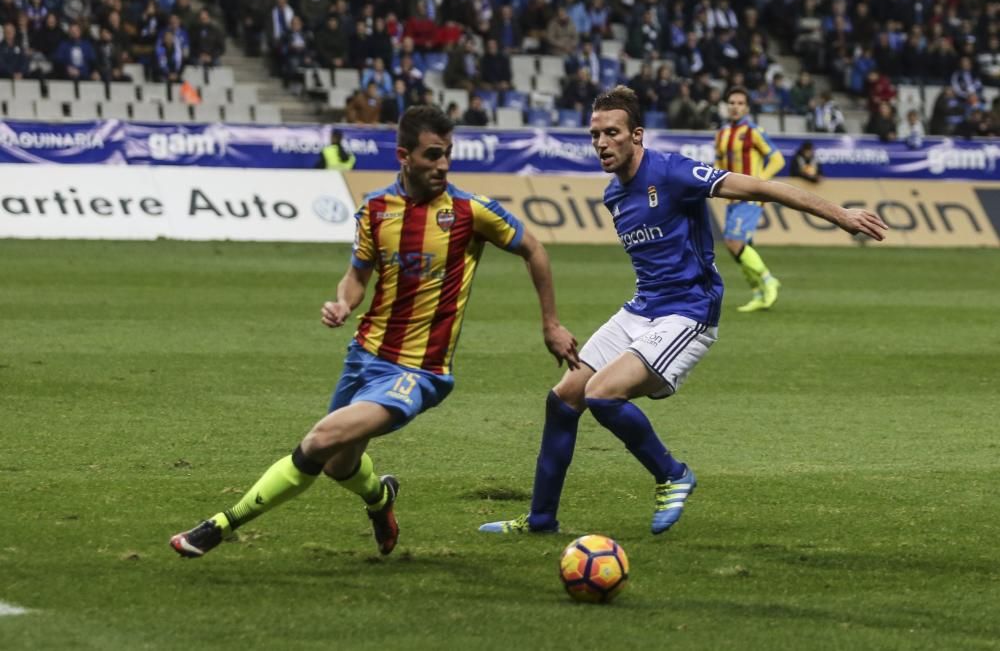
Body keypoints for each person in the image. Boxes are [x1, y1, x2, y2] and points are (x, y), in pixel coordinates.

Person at [170, 106, 579, 558]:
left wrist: (551, 323)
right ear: (404, 156)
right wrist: (343, 302)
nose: (443, 165)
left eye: (448, 155)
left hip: (420, 371)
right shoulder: (376, 211)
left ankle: (221, 525)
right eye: (433, 155)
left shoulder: (469, 211)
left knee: (319, 441)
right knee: (338, 464)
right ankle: (380, 499)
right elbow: (357, 277)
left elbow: (534, 249)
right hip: (365, 355)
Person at [479, 86, 886, 535]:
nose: (600, 143)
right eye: (595, 134)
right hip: (643, 307)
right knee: (563, 400)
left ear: (637, 135)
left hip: (690, 311)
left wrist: (838, 214)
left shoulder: (673, 172)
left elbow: (760, 187)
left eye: (611, 133)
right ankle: (539, 522)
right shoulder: (614, 196)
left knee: (601, 394)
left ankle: (673, 474)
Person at [714, 86, 786, 313]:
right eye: (732, 103)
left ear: (746, 107)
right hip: (732, 197)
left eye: (740, 103)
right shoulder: (722, 134)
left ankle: (768, 280)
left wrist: (759, 184)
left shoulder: (754, 131)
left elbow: (777, 160)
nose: (735, 107)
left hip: (750, 197)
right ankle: (758, 292)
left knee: (733, 241)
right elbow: (719, 164)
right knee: (739, 246)